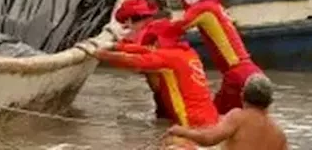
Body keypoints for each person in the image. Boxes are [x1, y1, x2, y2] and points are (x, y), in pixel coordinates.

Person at [91, 18, 219, 137]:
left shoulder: (168, 57)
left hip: (193, 121)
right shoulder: (187, 52)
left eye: (154, 40)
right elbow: (147, 50)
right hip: (210, 116)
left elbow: (135, 61)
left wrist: (104, 55)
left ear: (159, 39)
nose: (152, 44)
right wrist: (117, 46)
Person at [171, 0, 266, 114]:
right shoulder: (215, 6)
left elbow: (172, 30)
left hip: (237, 76)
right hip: (251, 73)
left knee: (213, 121)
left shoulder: (202, 9)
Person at [166, 74, 288, 150]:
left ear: (242, 96)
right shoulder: (279, 134)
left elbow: (209, 139)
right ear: (270, 102)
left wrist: (182, 131)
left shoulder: (238, 117)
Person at [112, 0, 173, 122]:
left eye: (126, 23)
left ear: (129, 20)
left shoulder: (147, 35)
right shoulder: (158, 30)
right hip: (167, 91)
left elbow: (137, 64)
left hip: (168, 94)